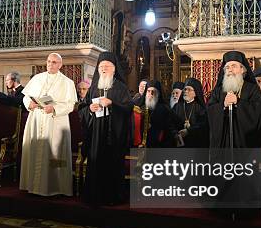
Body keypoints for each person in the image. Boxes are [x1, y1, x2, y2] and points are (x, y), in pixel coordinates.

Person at [20, 53, 77, 196]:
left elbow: (70, 105)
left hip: (55, 121)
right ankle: (31, 185)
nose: (51, 64)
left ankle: (56, 187)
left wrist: (55, 108)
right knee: (34, 149)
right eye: (49, 61)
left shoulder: (67, 82)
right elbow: (26, 97)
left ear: (60, 65)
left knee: (55, 152)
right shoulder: (37, 78)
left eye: (54, 62)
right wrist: (29, 104)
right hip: (37, 118)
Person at [79, 52, 133, 205]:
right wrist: (90, 108)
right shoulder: (94, 87)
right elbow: (82, 108)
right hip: (96, 132)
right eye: (101, 66)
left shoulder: (121, 87)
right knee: (95, 162)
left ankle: (112, 197)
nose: (103, 69)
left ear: (114, 69)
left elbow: (128, 108)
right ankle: (94, 196)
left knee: (112, 164)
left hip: (113, 133)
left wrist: (112, 103)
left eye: (107, 66)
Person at [207, 51, 261, 149]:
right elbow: (209, 110)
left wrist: (238, 103)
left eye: (234, 66)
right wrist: (223, 105)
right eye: (227, 67)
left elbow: (260, 111)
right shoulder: (218, 90)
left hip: (245, 143)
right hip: (223, 142)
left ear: (242, 69)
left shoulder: (252, 89)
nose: (230, 70)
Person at [141, 80, 180, 148]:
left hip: (160, 145)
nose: (151, 94)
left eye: (154, 91)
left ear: (158, 94)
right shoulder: (141, 108)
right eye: (149, 91)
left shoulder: (164, 109)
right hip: (143, 144)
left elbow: (170, 128)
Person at [174, 78, 209, 148]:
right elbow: (171, 121)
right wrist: (175, 132)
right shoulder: (177, 106)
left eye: (189, 89)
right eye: (185, 89)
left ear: (196, 93)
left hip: (195, 144)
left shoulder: (200, 108)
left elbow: (202, 126)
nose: (185, 91)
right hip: (179, 142)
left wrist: (188, 131)